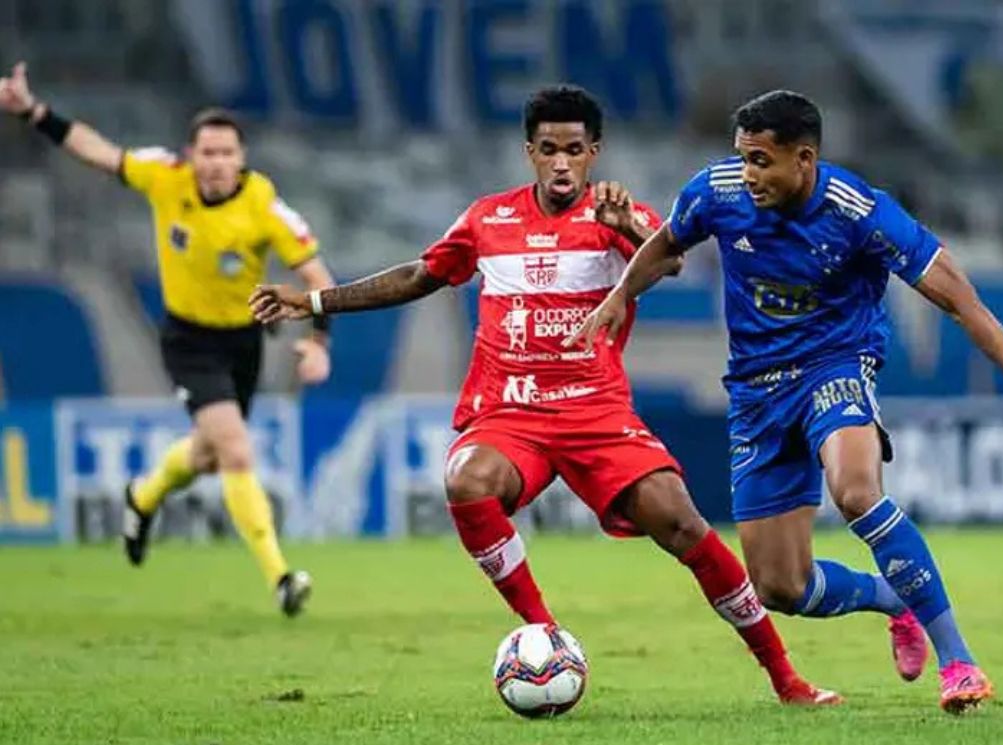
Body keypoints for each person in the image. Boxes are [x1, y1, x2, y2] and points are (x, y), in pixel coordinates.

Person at [249, 86, 839, 705]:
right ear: (531, 151)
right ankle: (543, 630)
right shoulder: (487, 220)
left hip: (596, 410)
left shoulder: (616, 217)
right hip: (511, 413)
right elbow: (420, 275)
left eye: (575, 151)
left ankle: (786, 678)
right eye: (550, 149)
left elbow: (668, 262)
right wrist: (314, 301)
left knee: (682, 522)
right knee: (466, 480)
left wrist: (627, 228)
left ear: (594, 153)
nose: (562, 163)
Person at [569, 90, 1003, 713]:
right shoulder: (718, 191)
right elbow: (666, 245)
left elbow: (959, 298)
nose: (750, 174)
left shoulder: (859, 211)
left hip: (835, 365)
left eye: (763, 161)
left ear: (805, 159)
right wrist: (620, 295)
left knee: (856, 491)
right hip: (756, 391)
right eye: (743, 157)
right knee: (779, 587)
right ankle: (894, 598)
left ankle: (959, 662)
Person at [0, 62, 334, 616]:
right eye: (208, 152)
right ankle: (280, 577)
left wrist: (319, 341)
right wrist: (35, 112)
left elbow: (319, 278)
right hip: (187, 339)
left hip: (243, 342)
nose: (217, 163)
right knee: (234, 448)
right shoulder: (164, 176)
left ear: (242, 159)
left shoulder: (265, 207)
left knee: (207, 455)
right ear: (191, 154)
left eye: (228, 153)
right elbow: (99, 151)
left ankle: (143, 496)